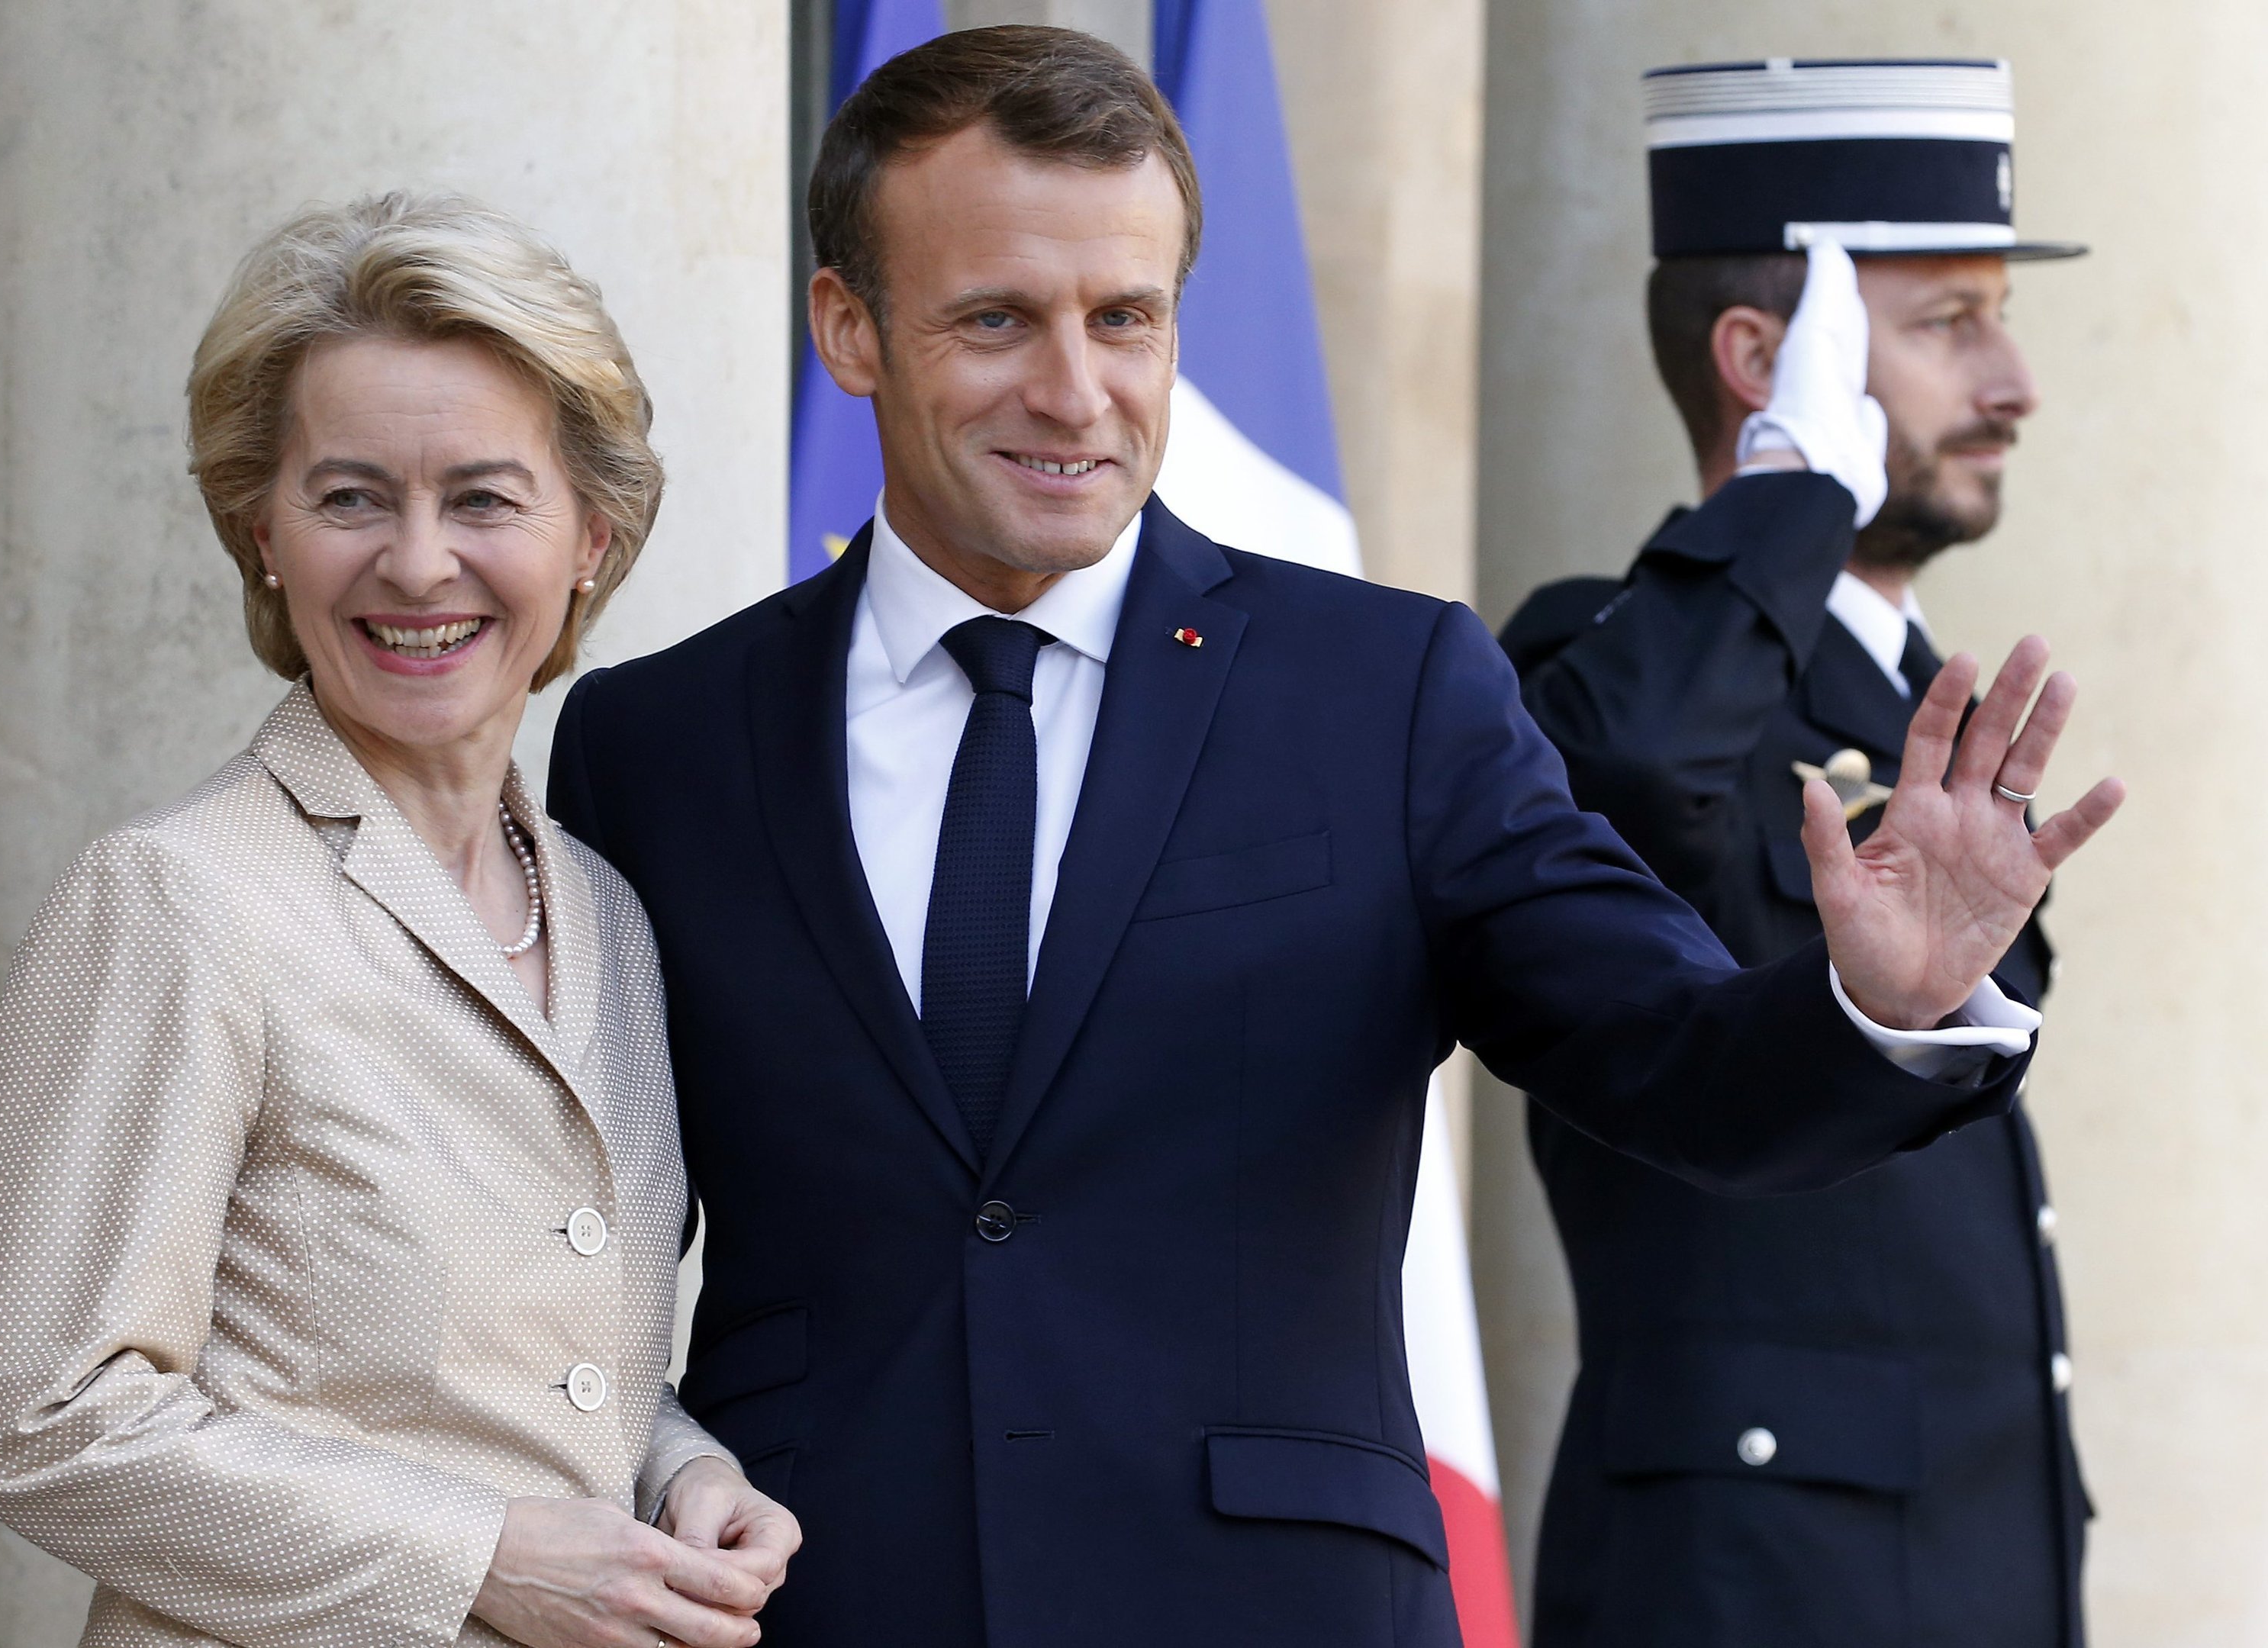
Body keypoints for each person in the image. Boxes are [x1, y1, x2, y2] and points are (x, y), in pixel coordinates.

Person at [549, 29, 2120, 1647]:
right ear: (849, 329)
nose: (1074, 391)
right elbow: (567, 1256)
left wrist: (1880, 1004)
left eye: (1126, 319)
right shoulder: (658, 744)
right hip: (819, 1606)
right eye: (997, 319)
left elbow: (1662, 1052)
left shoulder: (1388, 690)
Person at [0, 192, 797, 1648]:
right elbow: (47, 1416)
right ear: (262, 534)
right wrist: (482, 1561)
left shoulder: (603, 910)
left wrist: (682, 1469)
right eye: (351, 498)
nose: (418, 564)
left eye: (483, 497)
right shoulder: (174, 898)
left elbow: (523, 1366)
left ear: (591, 535)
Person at [1500, 58, 2095, 1648]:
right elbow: (1623, 769)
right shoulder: (1601, 665)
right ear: (1767, 362)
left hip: (1967, 1576)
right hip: (1744, 1593)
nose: (2014, 379)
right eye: (1945, 322)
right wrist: (1793, 493)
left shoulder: (1912, 709)